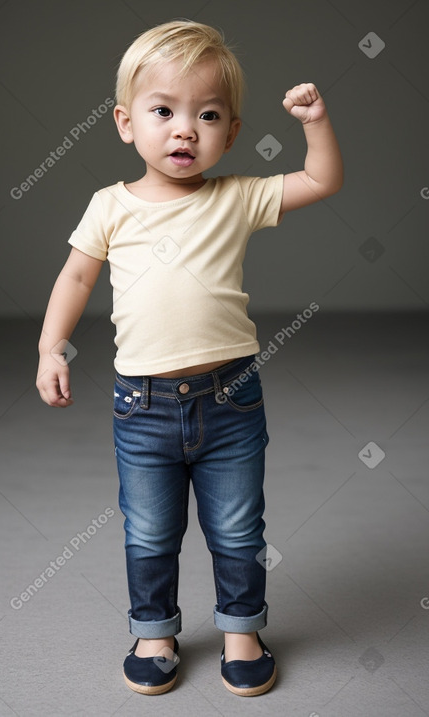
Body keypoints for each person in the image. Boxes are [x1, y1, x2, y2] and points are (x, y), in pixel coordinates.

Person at [36, 19, 343, 697]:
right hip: (141, 405)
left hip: (229, 397)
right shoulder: (109, 206)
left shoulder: (236, 197)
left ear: (231, 133)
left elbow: (322, 179)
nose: (184, 130)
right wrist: (49, 345)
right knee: (149, 526)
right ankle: (154, 628)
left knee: (237, 523)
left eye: (207, 115)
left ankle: (242, 626)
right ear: (125, 122)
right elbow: (76, 277)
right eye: (163, 111)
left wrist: (315, 122)